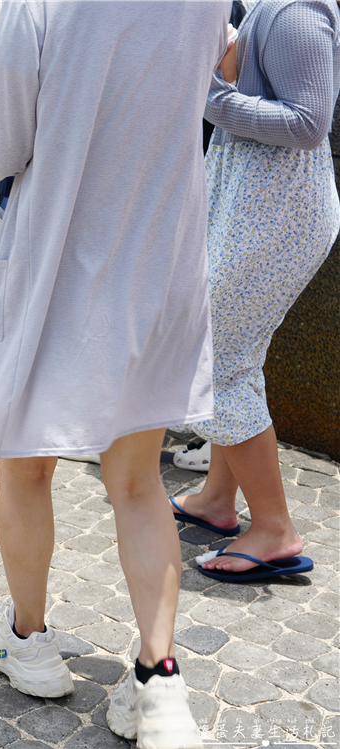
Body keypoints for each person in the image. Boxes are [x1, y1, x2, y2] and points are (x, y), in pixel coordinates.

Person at [0, 1, 229, 747]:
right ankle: (159, 681)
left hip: (58, 262)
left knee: (28, 468)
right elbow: (222, 66)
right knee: (140, 483)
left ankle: (30, 642)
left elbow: (3, 148)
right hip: (159, 259)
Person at [171, 0, 339, 580]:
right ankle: (219, 501)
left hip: (276, 214)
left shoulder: (296, 11)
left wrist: (207, 95)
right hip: (259, 206)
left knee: (220, 360)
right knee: (236, 355)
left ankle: (273, 528)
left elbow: (308, 123)